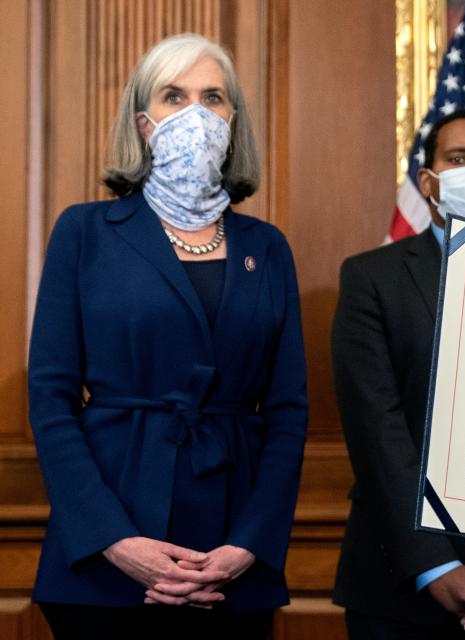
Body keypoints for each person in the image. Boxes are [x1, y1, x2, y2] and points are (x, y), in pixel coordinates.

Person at [28, 33, 307, 640]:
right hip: (106, 551)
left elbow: (288, 412)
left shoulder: (268, 248)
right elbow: (49, 398)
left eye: (214, 98)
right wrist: (115, 539)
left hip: (231, 557)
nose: (197, 114)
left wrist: (246, 546)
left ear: (234, 121)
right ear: (144, 122)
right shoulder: (85, 231)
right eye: (174, 96)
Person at [332, 108, 465, 639]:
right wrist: (434, 563)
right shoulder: (371, 279)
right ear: (428, 181)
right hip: (400, 581)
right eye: (458, 159)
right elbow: (376, 429)